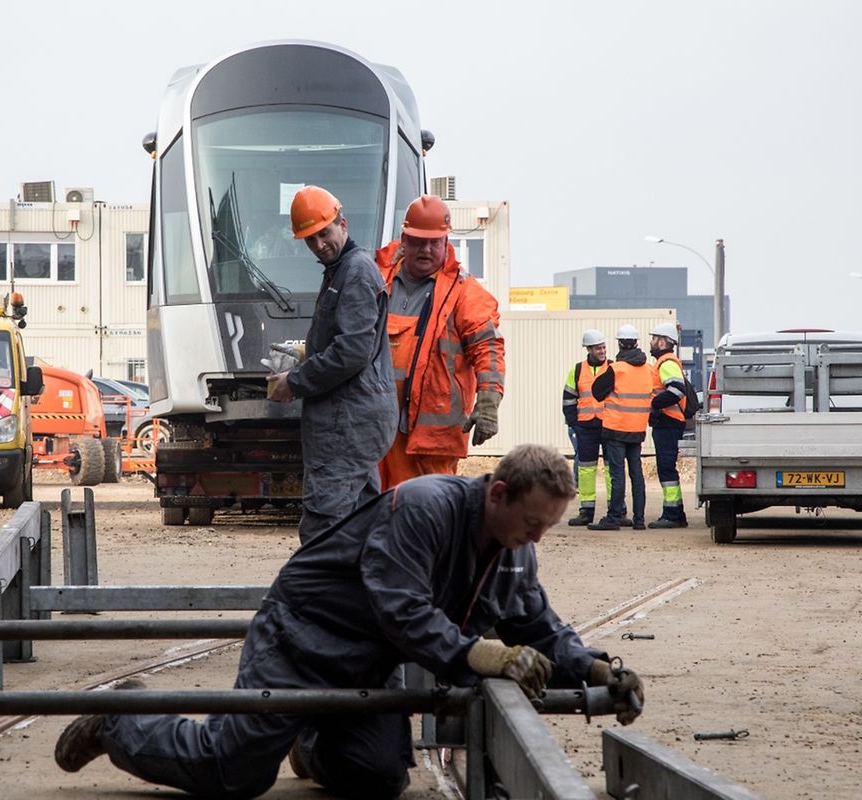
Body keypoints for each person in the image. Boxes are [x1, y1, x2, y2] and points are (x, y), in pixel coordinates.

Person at [52, 444, 644, 799]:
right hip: (301, 642)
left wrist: (592, 666)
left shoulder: (513, 546)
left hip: (363, 665)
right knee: (233, 774)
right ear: (499, 494)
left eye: (546, 528)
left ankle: (311, 741)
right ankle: (122, 721)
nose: (536, 539)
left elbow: (535, 620)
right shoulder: (424, 508)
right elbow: (400, 608)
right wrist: (476, 655)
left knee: (379, 779)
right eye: (534, 524)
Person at [264, 186, 396, 543]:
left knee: (325, 527)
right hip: (355, 418)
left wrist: (295, 381)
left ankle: (323, 596)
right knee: (361, 521)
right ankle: (360, 594)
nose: (319, 244)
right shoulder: (342, 270)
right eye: (310, 239)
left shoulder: (354, 272)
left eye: (324, 233)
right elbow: (350, 340)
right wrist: (309, 354)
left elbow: (353, 350)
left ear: (343, 224)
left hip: (347, 421)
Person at [374, 195, 505, 490]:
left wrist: (488, 403)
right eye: (419, 241)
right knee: (376, 514)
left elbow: (488, 348)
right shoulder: (376, 277)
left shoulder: (464, 292)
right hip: (376, 429)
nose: (427, 250)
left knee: (426, 516)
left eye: (435, 242)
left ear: (447, 241)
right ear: (404, 239)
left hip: (431, 438)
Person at [588, 324, 651, 531]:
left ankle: (614, 517)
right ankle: (639, 520)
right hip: (637, 429)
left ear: (620, 344)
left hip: (616, 429)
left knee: (617, 474)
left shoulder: (616, 369)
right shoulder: (648, 368)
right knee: (636, 474)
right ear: (636, 343)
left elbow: (597, 392)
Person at [562, 329, 612, 526]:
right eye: (598, 348)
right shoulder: (577, 370)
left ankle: (616, 508)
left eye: (603, 347)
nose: (602, 351)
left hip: (608, 425)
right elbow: (568, 399)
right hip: (585, 427)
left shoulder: (612, 368)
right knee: (585, 469)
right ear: (589, 349)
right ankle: (586, 510)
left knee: (611, 469)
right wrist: (574, 423)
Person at [647, 322, 689, 528]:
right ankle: (677, 513)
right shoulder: (664, 362)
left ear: (662, 342)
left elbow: (677, 390)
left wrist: (655, 404)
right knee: (667, 468)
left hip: (668, 423)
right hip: (668, 423)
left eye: (654, 339)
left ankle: (671, 514)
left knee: (666, 468)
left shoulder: (667, 363)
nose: (651, 342)